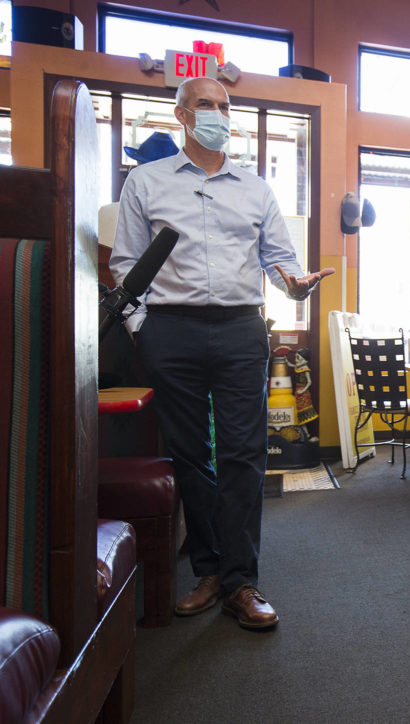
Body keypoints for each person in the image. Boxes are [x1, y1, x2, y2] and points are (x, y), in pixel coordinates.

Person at [110, 77, 335, 630]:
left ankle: (241, 581)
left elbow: (280, 261)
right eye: (205, 105)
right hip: (171, 329)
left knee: (243, 454)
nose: (217, 113)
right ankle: (208, 571)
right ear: (182, 115)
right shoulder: (145, 181)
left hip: (239, 328)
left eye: (224, 106)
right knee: (190, 454)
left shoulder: (256, 188)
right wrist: (143, 329)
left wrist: (295, 286)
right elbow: (126, 264)